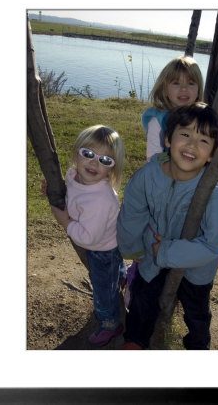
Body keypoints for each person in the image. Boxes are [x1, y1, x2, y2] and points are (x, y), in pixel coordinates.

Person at [117, 103, 218, 350]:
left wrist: (167, 252)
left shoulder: (214, 194)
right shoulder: (147, 176)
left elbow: (214, 244)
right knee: (142, 297)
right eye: (185, 134)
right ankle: (135, 341)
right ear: (168, 138)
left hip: (195, 267)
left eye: (203, 140)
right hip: (152, 254)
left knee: (196, 311)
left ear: (213, 153)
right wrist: (133, 248)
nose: (191, 145)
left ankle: (198, 345)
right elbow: (132, 213)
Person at [45, 125, 127, 348]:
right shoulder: (75, 176)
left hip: (102, 250)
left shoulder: (101, 199)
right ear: (77, 153)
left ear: (112, 169)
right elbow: (72, 191)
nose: (94, 163)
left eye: (105, 160)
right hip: (108, 240)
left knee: (103, 291)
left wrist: (64, 220)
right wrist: (53, 190)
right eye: (88, 154)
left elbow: (87, 239)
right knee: (115, 269)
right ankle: (122, 276)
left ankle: (110, 324)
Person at [142, 55, 204, 161]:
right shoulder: (158, 121)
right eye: (176, 83)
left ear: (198, 90)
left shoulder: (203, 119)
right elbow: (153, 158)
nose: (184, 88)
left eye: (191, 83)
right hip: (165, 173)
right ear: (165, 90)